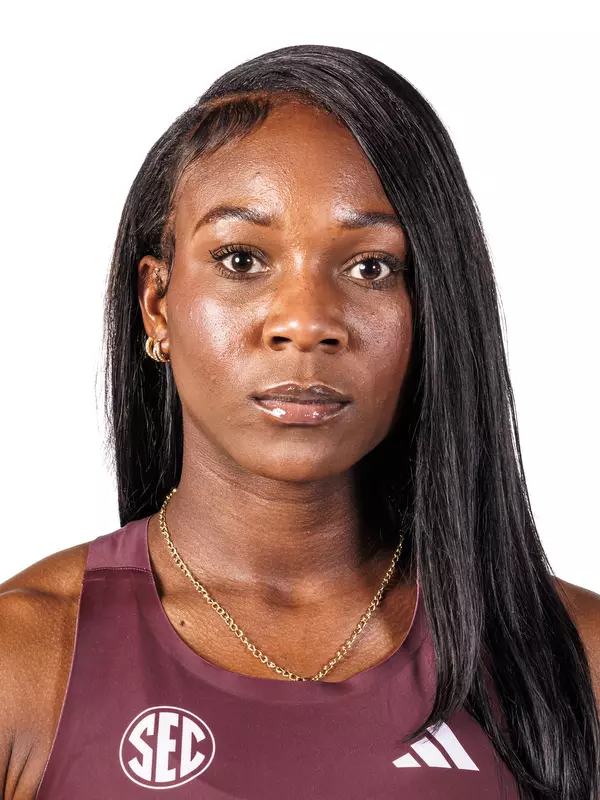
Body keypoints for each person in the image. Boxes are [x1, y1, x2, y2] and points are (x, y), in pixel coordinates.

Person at [1, 44, 598, 800]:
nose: (306, 323)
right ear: (157, 305)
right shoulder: (23, 662)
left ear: (432, 310)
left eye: (370, 266)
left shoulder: (576, 662)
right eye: (243, 260)